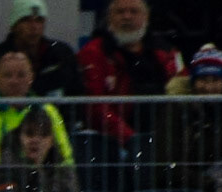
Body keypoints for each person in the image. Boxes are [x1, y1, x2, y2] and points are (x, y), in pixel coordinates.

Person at [78, 0, 188, 145]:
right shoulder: (94, 52)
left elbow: (184, 90)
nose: (127, 17)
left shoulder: (166, 51)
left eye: (133, 11)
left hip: (163, 138)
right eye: (120, 12)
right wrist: (131, 138)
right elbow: (95, 106)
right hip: (112, 142)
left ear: (146, 17)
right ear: (109, 17)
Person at [0, 51, 74, 189]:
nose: (14, 81)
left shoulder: (48, 110)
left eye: (21, 75)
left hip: (42, 187)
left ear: (31, 77)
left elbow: (64, 155)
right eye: (7, 75)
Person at [157, 44, 222, 192]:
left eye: (215, 80)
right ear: (193, 81)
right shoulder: (176, 110)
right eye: (203, 80)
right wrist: (207, 183)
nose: (209, 87)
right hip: (183, 191)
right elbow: (168, 164)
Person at [0, 0, 83, 99]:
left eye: (39, 20)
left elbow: (77, 94)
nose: (34, 27)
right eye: (26, 20)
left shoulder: (62, 55)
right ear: (14, 25)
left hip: (54, 120)